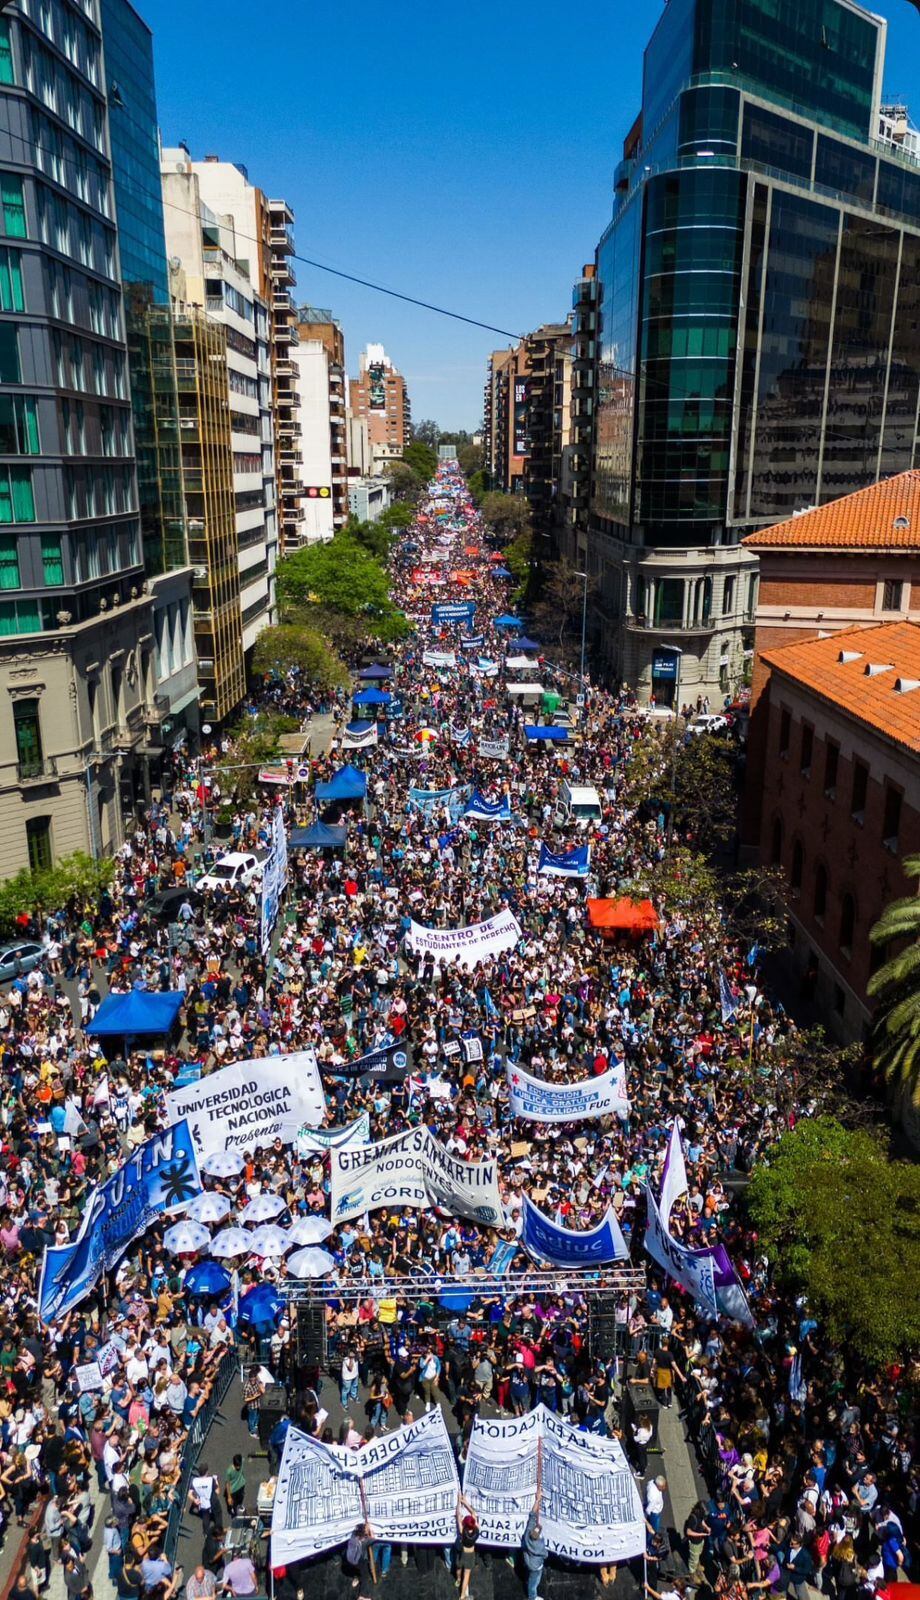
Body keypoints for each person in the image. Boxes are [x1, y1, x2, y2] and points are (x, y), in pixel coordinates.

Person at [522, 1496, 547, 1600]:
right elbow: (545, 1555)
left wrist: (537, 1500)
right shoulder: (539, 1546)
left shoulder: (528, 1534)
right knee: (534, 1581)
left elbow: (532, 1516)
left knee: (532, 1577)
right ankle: (532, 1597)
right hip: (535, 1566)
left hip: (528, 1560)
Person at [456, 1498, 480, 1600]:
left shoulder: (462, 1531)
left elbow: (458, 1514)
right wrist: (466, 1502)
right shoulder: (476, 1530)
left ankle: (457, 1579)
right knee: (467, 1575)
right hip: (470, 1555)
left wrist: (459, 1501)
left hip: (462, 1553)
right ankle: (462, 1596)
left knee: (458, 1567)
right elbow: (474, 1512)